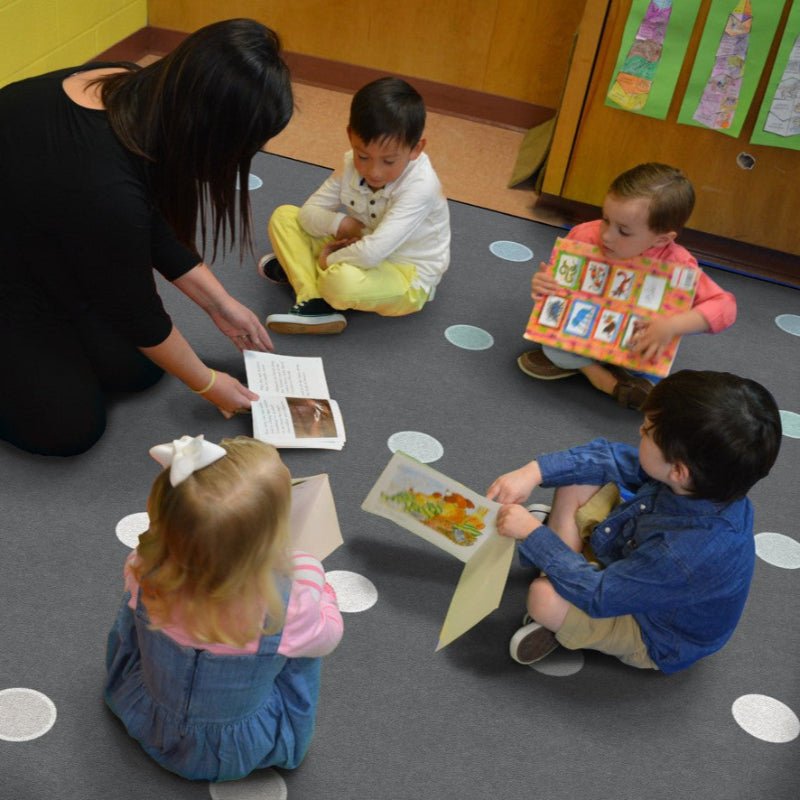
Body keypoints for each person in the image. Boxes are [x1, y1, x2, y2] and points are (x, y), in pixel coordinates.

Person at [0, 19, 293, 456]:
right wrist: (208, 384)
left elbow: (147, 220)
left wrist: (220, 304)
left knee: (140, 371)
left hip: (41, 241)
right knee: (69, 427)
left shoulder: (133, 89)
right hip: (13, 273)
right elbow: (137, 310)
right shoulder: (102, 185)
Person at [486, 370, 781, 674]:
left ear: (679, 471)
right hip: (634, 559)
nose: (639, 430)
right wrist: (533, 472)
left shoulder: (682, 554)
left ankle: (560, 596)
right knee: (579, 478)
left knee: (542, 598)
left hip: (653, 629)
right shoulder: (703, 482)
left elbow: (600, 595)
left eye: (647, 430)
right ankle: (563, 567)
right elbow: (609, 459)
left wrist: (535, 536)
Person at [105, 435, 343, 781]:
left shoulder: (143, 568)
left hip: (148, 715)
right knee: (303, 647)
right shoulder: (288, 604)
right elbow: (329, 636)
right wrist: (314, 575)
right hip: (233, 747)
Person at [518, 163, 737, 410]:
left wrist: (672, 325)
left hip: (633, 344)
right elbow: (559, 282)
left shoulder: (678, 265)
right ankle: (602, 379)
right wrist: (543, 283)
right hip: (582, 330)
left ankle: (595, 370)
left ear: (661, 239)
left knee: (649, 365)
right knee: (552, 344)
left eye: (623, 231)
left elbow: (725, 307)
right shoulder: (584, 236)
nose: (607, 236)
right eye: (605, 219)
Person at [260, 76, 451, 334]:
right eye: (363, 156)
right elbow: (308, 213)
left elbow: (372, 254)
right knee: (284, 216)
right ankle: (314, 299)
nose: (374, 172)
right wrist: (342, 223)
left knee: (340, 284)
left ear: (416, 149)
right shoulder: (351, 162)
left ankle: (306, 275)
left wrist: (329, 260)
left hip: (406, 274)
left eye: (389, 161)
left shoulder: (421, 186)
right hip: (360, 244)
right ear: (350, 135)